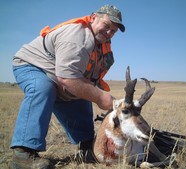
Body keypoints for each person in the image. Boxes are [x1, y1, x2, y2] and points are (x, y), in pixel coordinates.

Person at [10, 4, 125, 169]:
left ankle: (87, 147)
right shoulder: (78, 38)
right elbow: (67, 78)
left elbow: (84, 79)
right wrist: (101, 97)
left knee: (82, 93)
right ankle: (23, 154)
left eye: (113, 31)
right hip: (33, 65)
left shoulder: (100, 44)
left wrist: (96, 94)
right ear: (93, 18)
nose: (109, 32)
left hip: (59, 73)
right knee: (43, 88)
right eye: (106, 26)